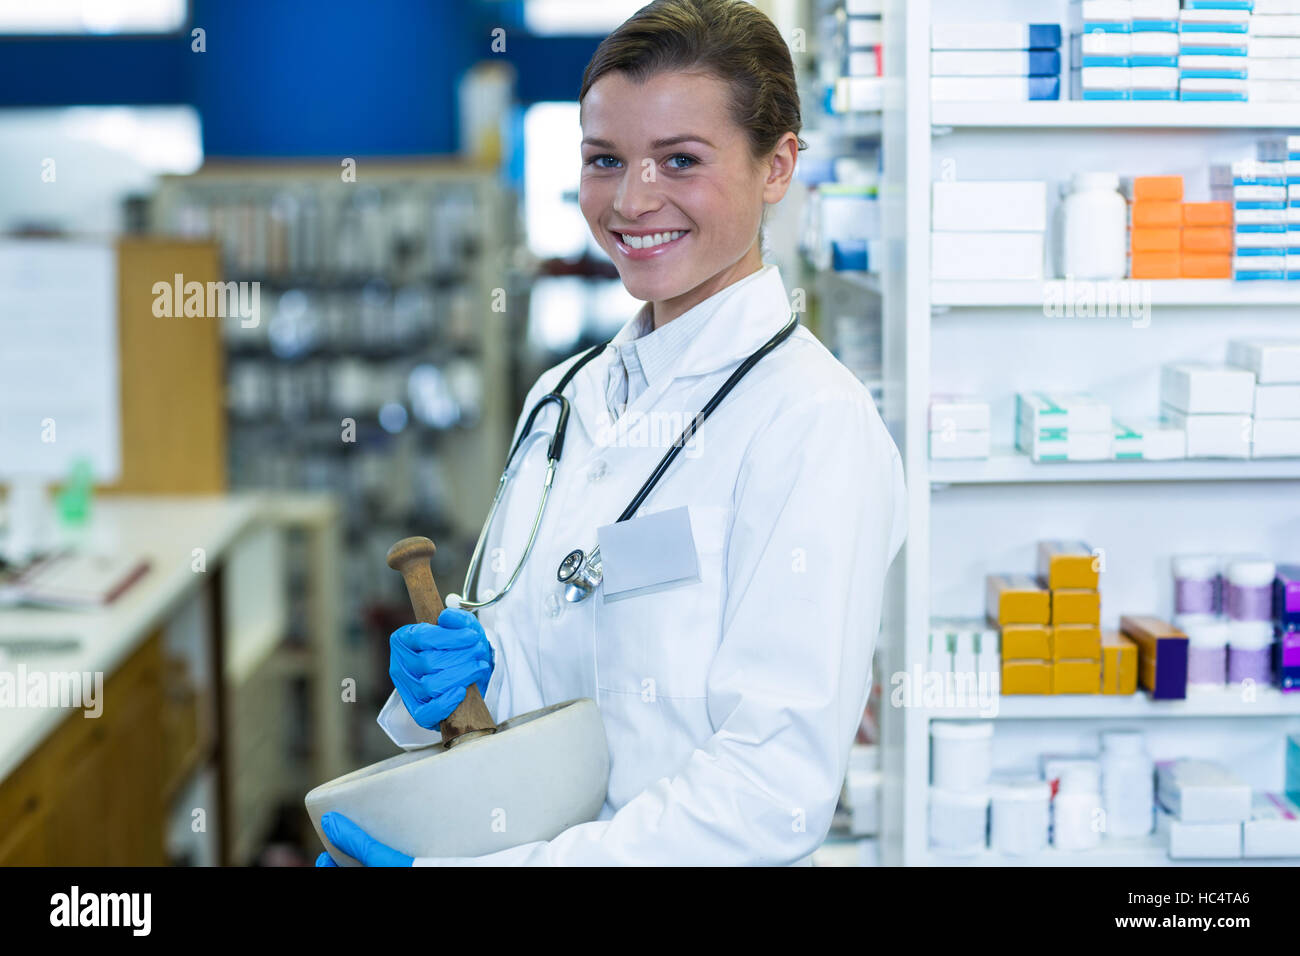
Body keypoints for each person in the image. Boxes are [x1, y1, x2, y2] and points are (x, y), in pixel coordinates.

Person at [318, 0, 906, 867]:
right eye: (605, 160)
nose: (633, 200)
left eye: (681, 160)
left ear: (778, 164)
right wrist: (469, 679)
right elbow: (552, 662)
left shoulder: (814, 425)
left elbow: (771, 791)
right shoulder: (563, 397)